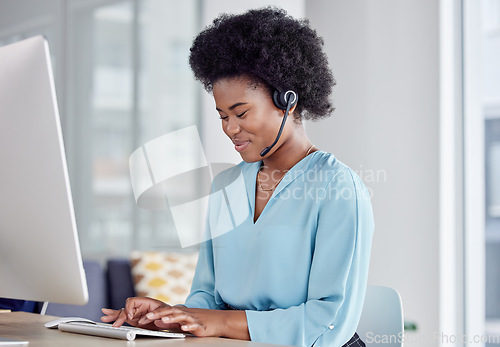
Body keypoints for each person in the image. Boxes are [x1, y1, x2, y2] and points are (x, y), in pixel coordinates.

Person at [101, 7, 374, 347]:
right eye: (222, 116)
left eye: (241, 113)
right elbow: (207, 296)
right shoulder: (226, 185)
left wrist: (221, 322)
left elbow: (328, 325)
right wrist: (172, 317)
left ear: (287, 100)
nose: (230, 129)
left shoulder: (337, 188)